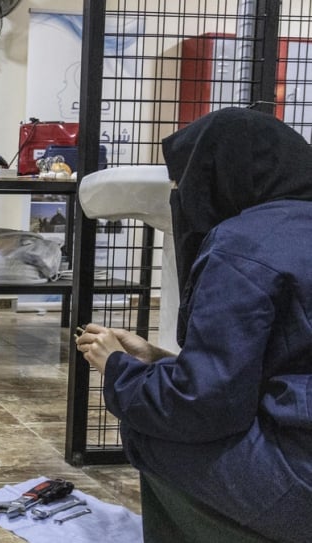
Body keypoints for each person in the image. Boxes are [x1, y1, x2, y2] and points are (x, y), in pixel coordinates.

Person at [74, 107, 312, 542]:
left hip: (302, 483)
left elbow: (204, 408)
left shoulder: (241, 243)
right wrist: (157, 359)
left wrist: (117, 367)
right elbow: (279, 365)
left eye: (183, 183)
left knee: (150, 430)